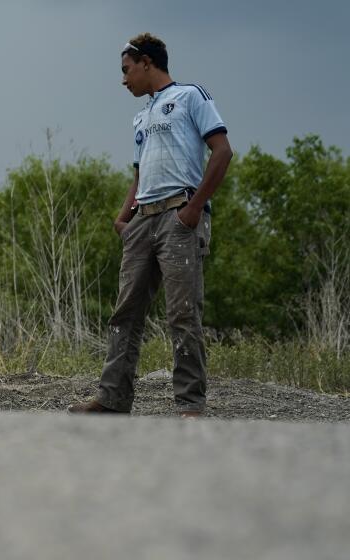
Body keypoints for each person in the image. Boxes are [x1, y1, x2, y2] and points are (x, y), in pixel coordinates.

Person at [70, 33, 232, 418]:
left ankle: (190, 404)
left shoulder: (191, 96)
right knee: (125, 312)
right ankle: (112, 398)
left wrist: (193, 209)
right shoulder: (142, 116)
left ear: (146, 62)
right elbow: (140, 174)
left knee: (182, 312)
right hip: (143, 220)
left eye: (127, 71)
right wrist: (124, 217)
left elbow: (223, 151)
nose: (124, 80)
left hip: (180, 214)